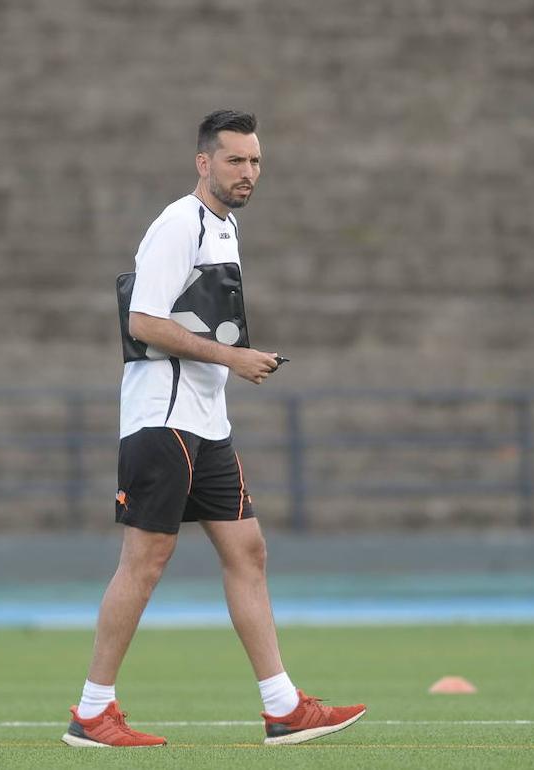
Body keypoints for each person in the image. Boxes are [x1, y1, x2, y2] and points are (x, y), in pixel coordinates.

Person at [61, 110, 366, 748]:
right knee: (146, 561)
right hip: (162, 421)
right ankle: (92, 711)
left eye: (255, 161)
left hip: (207, 423)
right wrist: (234, 358)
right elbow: (142, 321)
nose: (248, 172)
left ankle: (282, 707)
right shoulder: (179, 222)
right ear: (205, 163)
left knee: (247, 551)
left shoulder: (225, 229)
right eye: (235, 160)